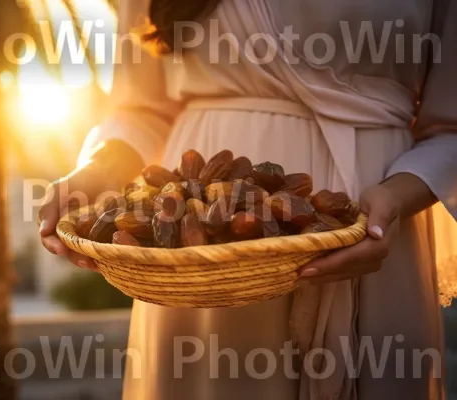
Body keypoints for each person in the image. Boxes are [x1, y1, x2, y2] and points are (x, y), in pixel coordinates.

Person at [38, 0, 457, 399]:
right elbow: (142, 110)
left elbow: (449, 130)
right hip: (200, 258)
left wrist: (395, 198)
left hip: (376, 230)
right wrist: (95, 171)